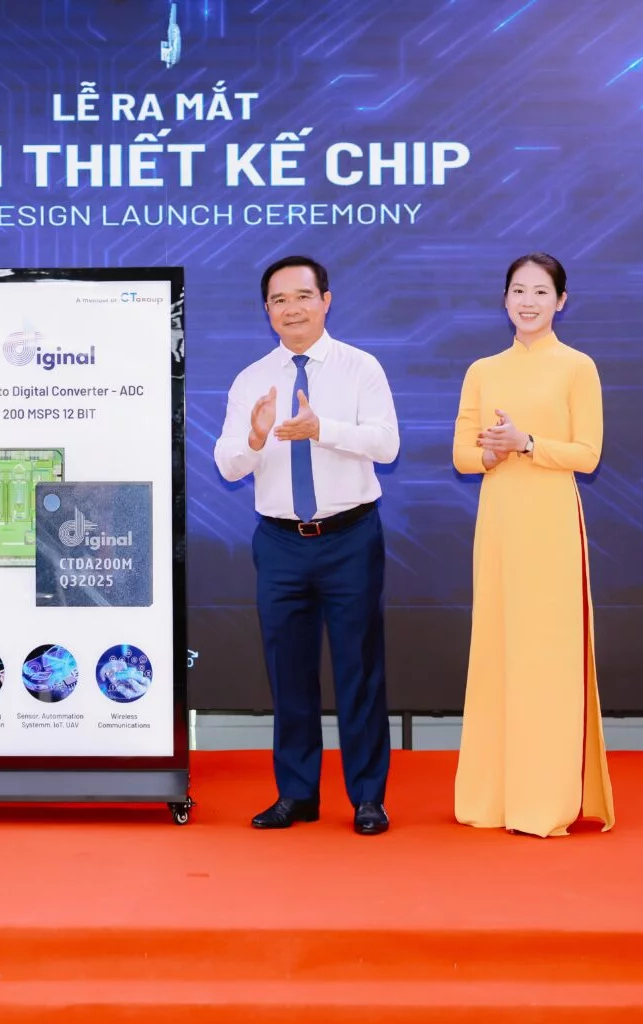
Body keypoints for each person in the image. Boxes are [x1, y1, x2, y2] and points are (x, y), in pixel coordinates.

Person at [215, 256, 400, 835]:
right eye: (279, 300)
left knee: (359, 671)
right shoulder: (251, 379)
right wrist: (254, 437)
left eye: (302, 296)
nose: (291, 309)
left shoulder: (360, 367)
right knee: (288, 672)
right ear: (266, 310)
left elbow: (387, 445)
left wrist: (324, 430)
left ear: (326, 300)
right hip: (280, 544)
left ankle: (367, 798)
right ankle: (296, 794)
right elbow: (227, 464)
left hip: (350, 537)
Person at [452, 253, 616, 837]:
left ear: (561, 301)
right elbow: (462, 456)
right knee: (497, 653)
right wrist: (492, 452)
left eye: (541, 292)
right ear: (504, 299)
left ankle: (545, 800)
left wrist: (526, 443)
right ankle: (492, 799)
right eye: (518, 290)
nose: (528, 301)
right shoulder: (482, 370)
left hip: (551, 524)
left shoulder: (577, 367)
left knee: (547, 657)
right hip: (499, 523)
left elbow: (588, 454)